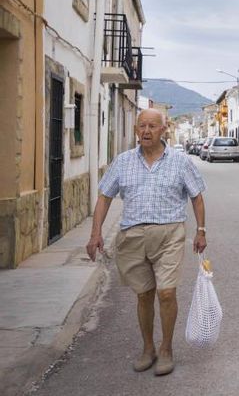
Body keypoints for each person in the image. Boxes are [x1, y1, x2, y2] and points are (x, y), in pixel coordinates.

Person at [87, 108, 208, 376]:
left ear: (164, 130)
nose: (146, 131)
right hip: (132, 236)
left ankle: (166, 349)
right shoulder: (122, 162)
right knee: (144, 295)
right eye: (142, 126)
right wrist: (95, 234)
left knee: (166, 292)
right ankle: (148, 348)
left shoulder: (180, 161)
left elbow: (196, 197)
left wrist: (201, 230)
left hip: (169, 234)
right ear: (135, 130)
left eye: (153, 126)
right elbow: (105, 197)